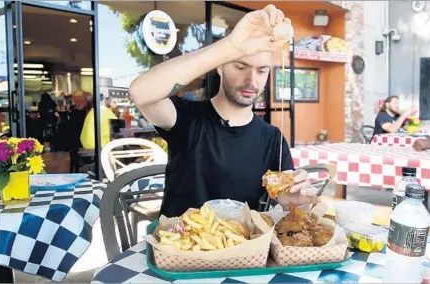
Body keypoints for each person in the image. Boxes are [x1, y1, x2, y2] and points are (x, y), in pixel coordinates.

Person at [129, 4, 316, 218]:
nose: (251, 81)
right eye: (240, 66)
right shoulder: (186, 117)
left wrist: (296, 202)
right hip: (177, 248)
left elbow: (289, 203)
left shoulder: (272, 139)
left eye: (261, 71)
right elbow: (139, 92)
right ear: (220, 66)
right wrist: (230, 48)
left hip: (242, 249)